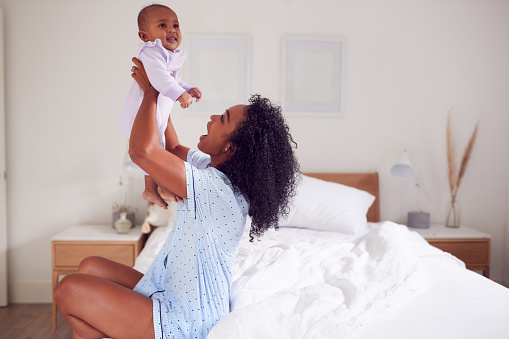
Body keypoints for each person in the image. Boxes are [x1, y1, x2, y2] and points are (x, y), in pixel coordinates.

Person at [54, 57, 299, 339]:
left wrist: (149, 93)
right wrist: (162, 83)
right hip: (166, 289)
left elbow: (143, 151)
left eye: (222, 119)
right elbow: (169, 146)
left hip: (184, 321)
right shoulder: (212, 170)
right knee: (90, 267)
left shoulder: (217, 190)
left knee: (68, 289)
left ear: (231, 147)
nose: (212, 119)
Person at [120, 4, 202, 209]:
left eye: (175, 24)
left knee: (162, 150)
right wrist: (179, 94)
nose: (172, 29)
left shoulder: (165, 56)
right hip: (141, 114)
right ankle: (160, 186)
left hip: (157, 115)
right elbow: (159, 78)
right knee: (157, 150)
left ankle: (153, 188)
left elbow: (173, 78)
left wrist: (188, 89)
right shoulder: (150, 52)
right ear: (144, 35)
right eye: (163, 25)